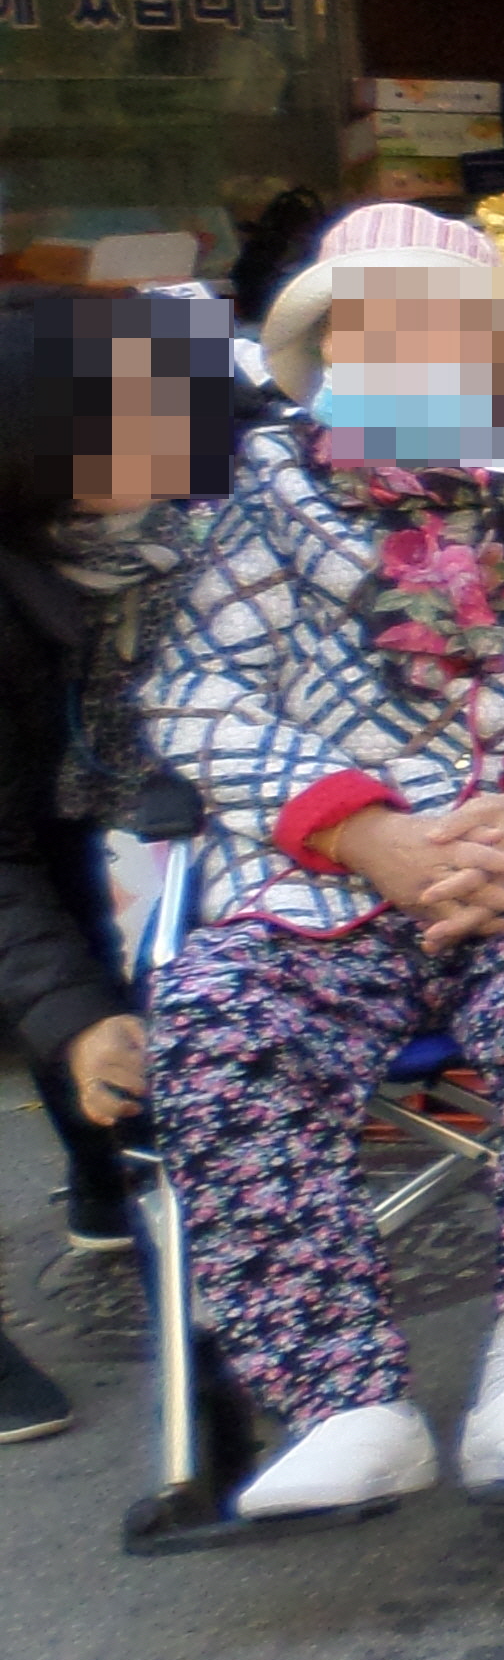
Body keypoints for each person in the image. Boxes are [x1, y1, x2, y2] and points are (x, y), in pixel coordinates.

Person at [130, 205, 504, 1513]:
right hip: (325, 879)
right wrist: (368, 832)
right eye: (374, 334)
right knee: (215, 1008)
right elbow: (196, 695)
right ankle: (343, 1399)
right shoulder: (267, 492)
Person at [0, 284, 234, 1443]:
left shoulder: (196, 524)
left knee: (112, 947)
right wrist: (82, 1019)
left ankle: (113, 1181)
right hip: (24, 799)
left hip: (108, 797)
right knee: (72, 987)